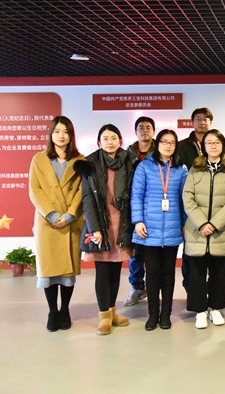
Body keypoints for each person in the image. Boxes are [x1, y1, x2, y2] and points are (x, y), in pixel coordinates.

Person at [75, 124, 135, 335]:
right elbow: (87, 199)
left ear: (120, 140)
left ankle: (112, 312)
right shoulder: (90, 164)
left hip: (122, 221)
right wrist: (95, 229)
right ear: (99, 142)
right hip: (101, 222)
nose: (110, 142)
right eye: (106, 138)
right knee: (102, 270)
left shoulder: (129, 161)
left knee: (116, 269)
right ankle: (103, 317)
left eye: (114, 138)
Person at [28, 116, 85, 332]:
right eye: (57, 131)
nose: (61, 136)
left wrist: (70, 215)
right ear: (51, 134)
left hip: (70, 221)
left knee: (67, 273)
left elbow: (82, 191)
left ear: (71, 135)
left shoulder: (80, 160)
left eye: (66, 132)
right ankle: (53, 311)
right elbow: (35, 190)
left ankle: (65, 310)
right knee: (49, 270)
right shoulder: (39, 159)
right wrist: (51, 214)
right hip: (47, 222)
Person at [130, 130, 188, 331]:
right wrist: (138, 220)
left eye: (172, 142)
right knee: (152, 274)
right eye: (164, 141)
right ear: (158, 144)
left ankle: (166, 315)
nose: (168, 145)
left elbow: (184, 200)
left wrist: (184, 223)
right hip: (149, 230)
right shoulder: (144, 166)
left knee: (169, 274)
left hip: (172, 228)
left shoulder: (181, 169)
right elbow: (136, 195)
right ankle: (153, 314)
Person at [182, 129, 225, 329]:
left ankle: (215, 308)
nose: (213, 146)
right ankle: (199, 310)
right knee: (196, 272)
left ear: (223, 145)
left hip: (219, 231)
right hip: (197, 230)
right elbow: (187, 197)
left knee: (218, 272)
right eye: (209, 143)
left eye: (217, 142)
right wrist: (202, 223)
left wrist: (214, 224)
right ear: (203, 147)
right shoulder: (195, 169)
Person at [175, 106, 213, 295]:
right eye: (198, 119)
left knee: (211, 250)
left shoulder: (216, 143)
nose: (202, 122)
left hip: (212, 205)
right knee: (190, 249)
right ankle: (191, 287)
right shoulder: (182, 146)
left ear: (210, 122)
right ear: (192, 122)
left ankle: (210, 288)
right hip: (189, 204)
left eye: (206, 119)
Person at [124, 116, 156, 307]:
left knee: (153, 253)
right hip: (132, 206)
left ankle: (153, 289)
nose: (145, 131)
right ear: (135, 132)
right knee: (135, 251)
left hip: (155, 208)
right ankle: (137, 287)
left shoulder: (160, 151)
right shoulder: (127, 154)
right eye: (141, 128)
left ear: (154, 131)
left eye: (148, 127)